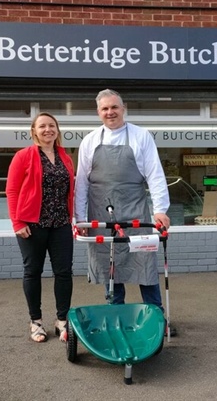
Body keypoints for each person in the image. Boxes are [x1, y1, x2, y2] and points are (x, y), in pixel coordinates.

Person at [75, 89, 177, 336]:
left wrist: (161, 210)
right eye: (104, 109)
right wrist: (79, 219)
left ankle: (156, 316)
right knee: (110, 262)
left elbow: (155, 174)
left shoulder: (141, 137)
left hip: (135, 208)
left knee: (145, 263)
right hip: (100, 210)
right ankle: (115, 315)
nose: (110, 112)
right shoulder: (89, 140)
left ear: (124, 108)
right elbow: (82, 183)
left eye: (114, 107)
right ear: (98, 112)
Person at [6, 112, 75, 343]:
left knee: (64, 272)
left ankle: (62, 320)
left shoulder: (65, 156)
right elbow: (12, 190)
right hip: (32, 225)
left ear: (57, 129)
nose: (48, 130)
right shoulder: (23, 156)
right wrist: (18, 222)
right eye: (42, 126)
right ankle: (36, 322)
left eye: (52, 125)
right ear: (34, 131)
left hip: (61, 224)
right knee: (32, 272)